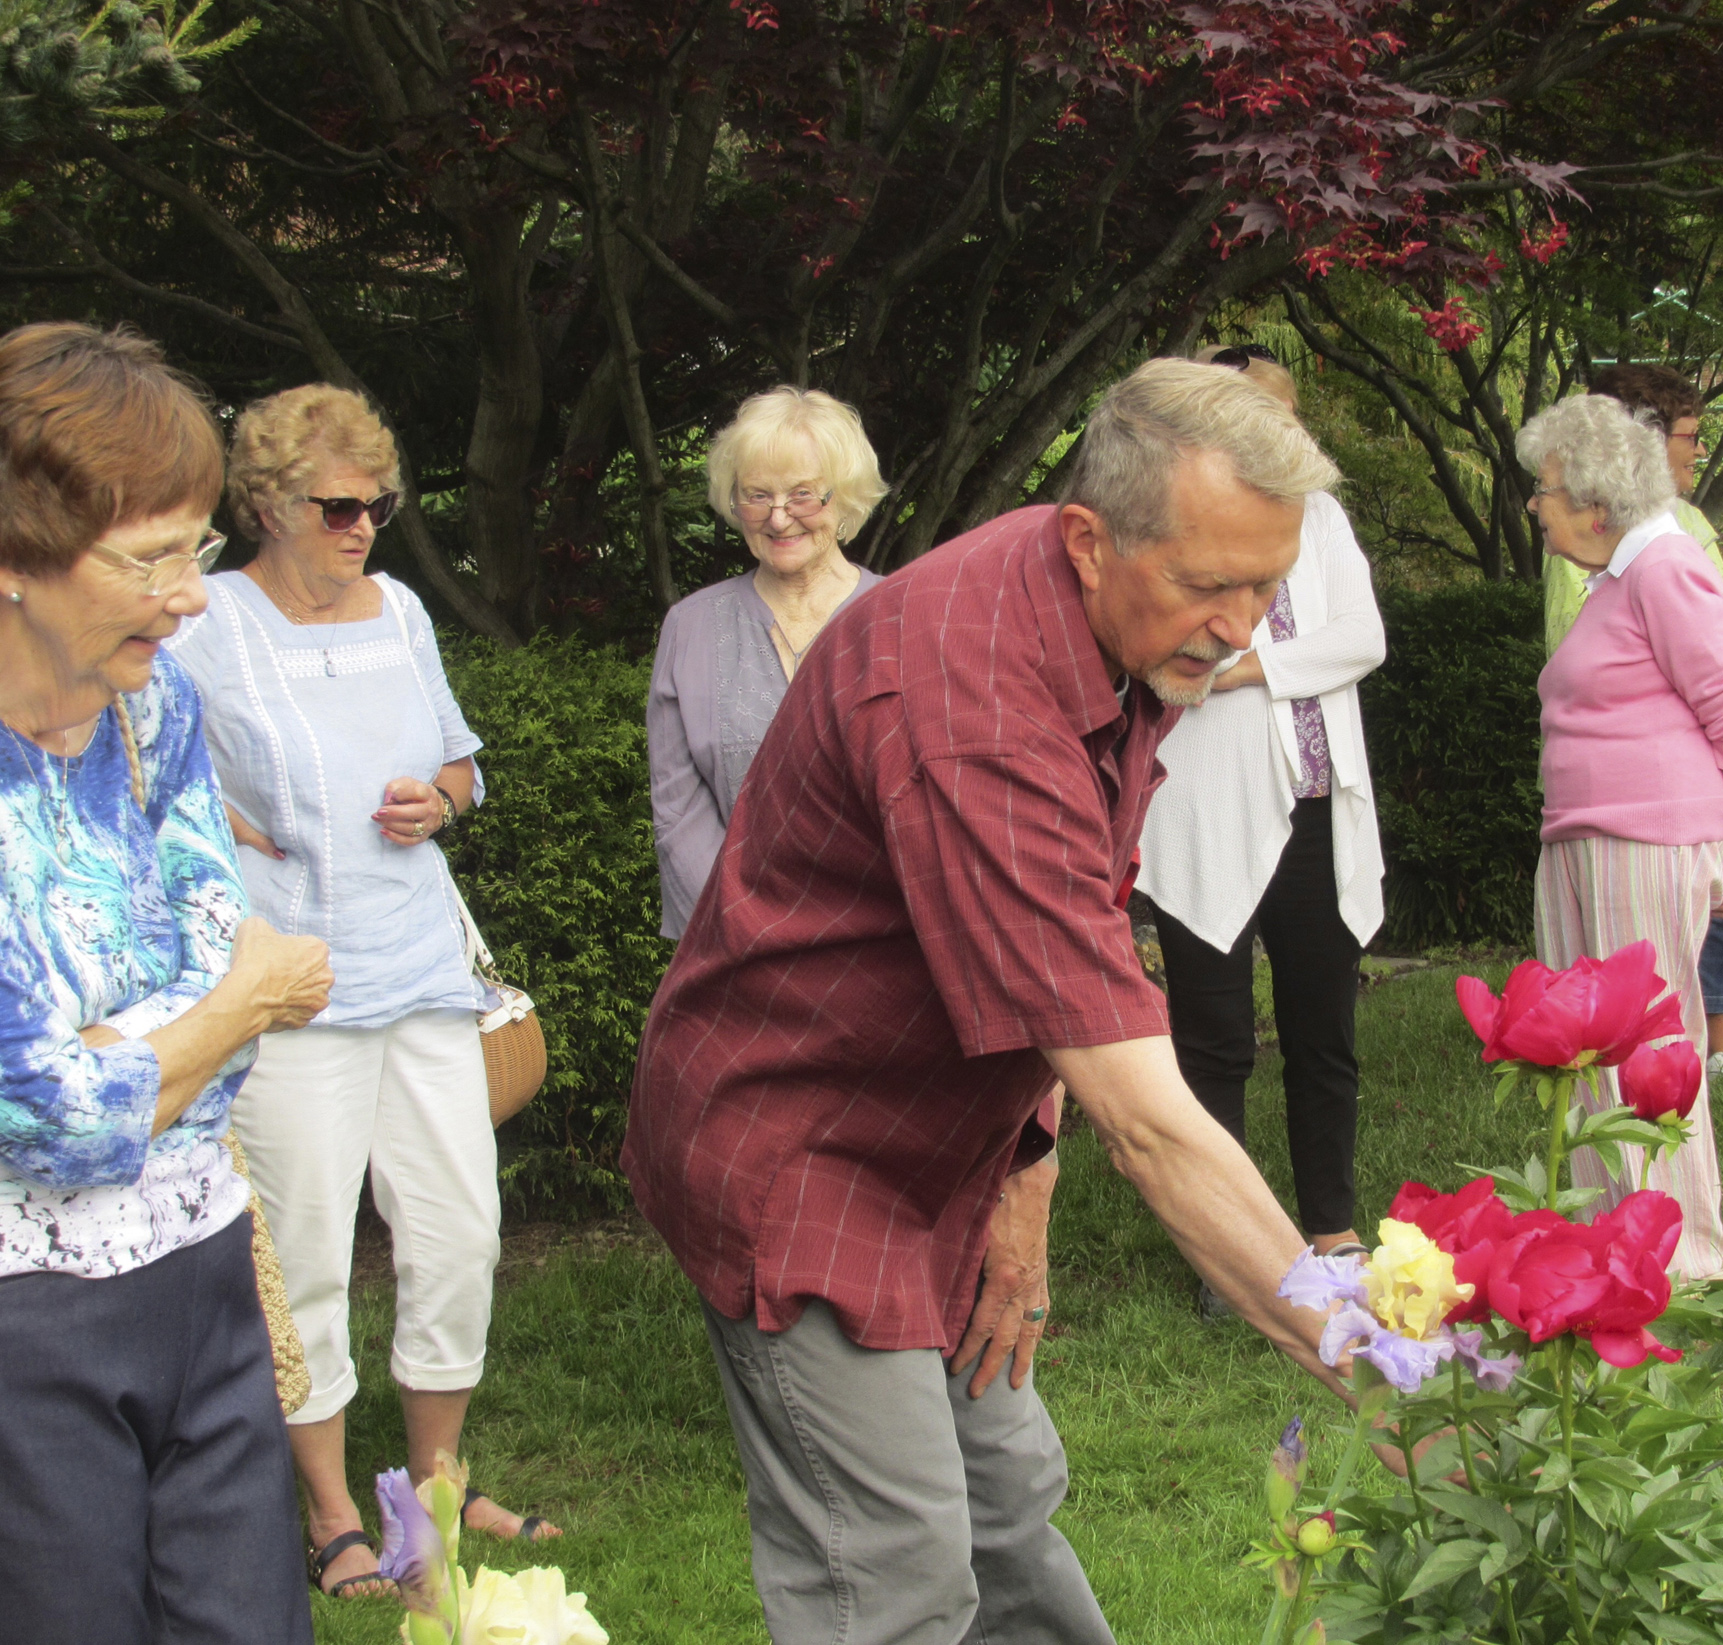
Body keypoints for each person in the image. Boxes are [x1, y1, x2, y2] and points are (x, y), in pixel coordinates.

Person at [626, 359, 1352, 1645]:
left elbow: (1062, 955)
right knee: (895, 1569)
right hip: (798, 1149)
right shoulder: (970, 700)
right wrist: (1361, 1358)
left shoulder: (1103, 607)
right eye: (1209, 585)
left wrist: (1021, 1190)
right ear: (1088, 540)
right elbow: (1149, 1119)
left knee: (1006, 1503)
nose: (1242, 627)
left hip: (940, 1137)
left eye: (1266, 587)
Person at [166, 384, 557, 1602]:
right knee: (306, 1251)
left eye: (378, 504)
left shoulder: (399, 611)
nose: (362, 527)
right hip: (288, 988)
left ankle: (435, 1489)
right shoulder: (207, 622)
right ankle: (333, 1510)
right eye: (336, 506)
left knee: (460, 1233)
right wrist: (217, 825)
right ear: (267, 502)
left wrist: (440, 800)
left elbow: (463, 762)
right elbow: (138, 757)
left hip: (419, 969)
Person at [0, 322, 333, 1642]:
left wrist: (130, 1042)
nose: (190, 596)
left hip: (200, 1264)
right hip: (28, 1323)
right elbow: (53, 1115)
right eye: (148, 559)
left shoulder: (154, 708)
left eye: (194, 548)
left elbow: (219, 957)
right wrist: (229, 1008)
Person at [1139, 348, 1386, 1318]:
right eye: (1252, 412)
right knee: (1214, 1040)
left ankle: (1329, 1229)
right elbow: (1167, 653)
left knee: (1324, 1031)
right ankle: (1229, 1250)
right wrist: (1257, 662)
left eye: (1285, 412)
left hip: (1317, 811)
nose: (1278, 430)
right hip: (1205, 814)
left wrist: (1243, 669)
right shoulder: (1167, 517)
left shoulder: (1319, 516)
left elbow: (1362, 640)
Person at [1521, 391, 1723, 1282]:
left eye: (1545, 488)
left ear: (1596, 503)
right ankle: (1612, 1249)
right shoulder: (1616, 579)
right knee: (1588, 1058)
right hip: (1587, 839)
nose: (1534, 504)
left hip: (1643, 840)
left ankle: (1682, 1260)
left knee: (1645, 1057)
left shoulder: (1664, 566)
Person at [648, 385, 887, 936]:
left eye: (803, 495)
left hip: (883, 941)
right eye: (757, 496)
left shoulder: (903, 619)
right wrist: (750, 929)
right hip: (738, 942)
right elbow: (679, 813)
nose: (779, 520)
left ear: (846, 497)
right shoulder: (690, 628)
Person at [1544, 363, 1720, 655]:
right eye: (1691, 437)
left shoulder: (1691, 518)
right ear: (1646, 440)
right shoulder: (1580, 524)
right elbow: (1578, 659)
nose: (1700, 450)